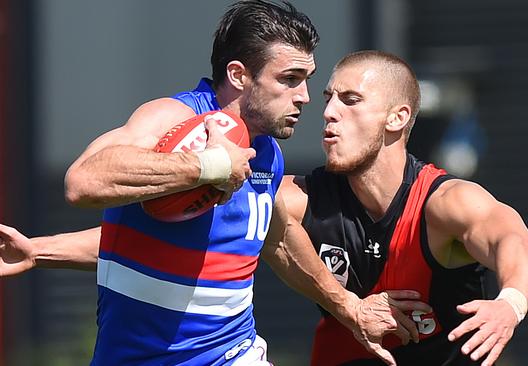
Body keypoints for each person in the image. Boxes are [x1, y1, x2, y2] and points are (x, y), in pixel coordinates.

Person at [5, 2, 427, 365]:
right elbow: (84, 181)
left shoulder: (267, 153)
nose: (304, 97)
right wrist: (206, 166)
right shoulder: (174, 119)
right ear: (240, 75)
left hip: (232, 352)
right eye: (290, 79)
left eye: (306, 80)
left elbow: (274, 237)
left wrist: (349, 307)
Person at [273, 50, 528, 365]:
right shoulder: (299, 200)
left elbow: (520, 248)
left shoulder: (443, 203)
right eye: (328, 99)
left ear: (397, 117)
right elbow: (246, 212)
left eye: (350, 100)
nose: (329, 112)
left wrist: (509, 304)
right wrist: (350, 307)